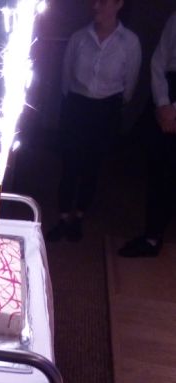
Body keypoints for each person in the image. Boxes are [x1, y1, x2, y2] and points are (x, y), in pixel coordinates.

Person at [46, 0, 141, 242]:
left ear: (118, 4)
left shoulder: (129, 42)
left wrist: (112, 106)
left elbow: (129, 84)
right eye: (94, 1)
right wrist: (73, 105)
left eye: (103, 1)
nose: (96, 6)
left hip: (106, 110)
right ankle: (63, 217)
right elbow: (66, 77)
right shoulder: (78, 38)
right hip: (77, 106)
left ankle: (79, 216)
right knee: (70, 164)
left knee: (92, 166)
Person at [118, 11, 176, 257]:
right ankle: (152, 236)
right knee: (158, 168)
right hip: (167, 93)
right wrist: (163, 103)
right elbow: (159, 60)